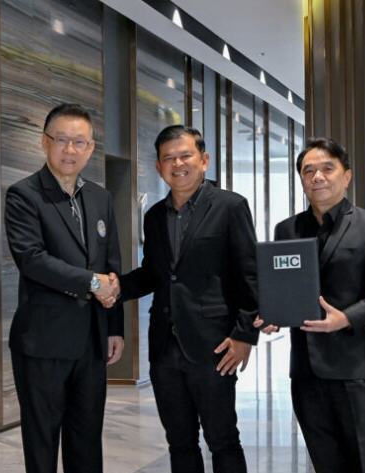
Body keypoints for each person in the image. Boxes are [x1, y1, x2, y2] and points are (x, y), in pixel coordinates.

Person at [255, 137, 365, 473]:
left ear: (346, 176)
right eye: (308, 171)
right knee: (325, 462)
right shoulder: (287, 229)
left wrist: (347, 318)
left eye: (327, 168)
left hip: (355, 365)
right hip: (305, 369)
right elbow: (282, 286)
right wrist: (273, 314)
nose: (317, 177)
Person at [118, 125, 259, 473]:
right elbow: (154, 273)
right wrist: (114, 287)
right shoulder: (154, 216)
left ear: (204, 160)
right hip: (164, 347)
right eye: (168, 158)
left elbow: (250, 275)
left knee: (223, 440)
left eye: (185, 156)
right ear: (158, 167)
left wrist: (245, 335)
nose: (177, 164)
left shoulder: (230, 206)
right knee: (179, 442)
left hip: (214, 347)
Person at [4, 103, 124, 473]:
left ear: (91, 148)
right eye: (61, 140)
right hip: (43, 343)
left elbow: (112, 266)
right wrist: (92, 282)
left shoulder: (101, 197)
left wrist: (114, 327)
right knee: (42, 443)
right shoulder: (24, 195)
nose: (70, 150)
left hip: (91, 342)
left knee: (87, 440)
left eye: (79, 142)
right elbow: (32, 259)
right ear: (45, 142)